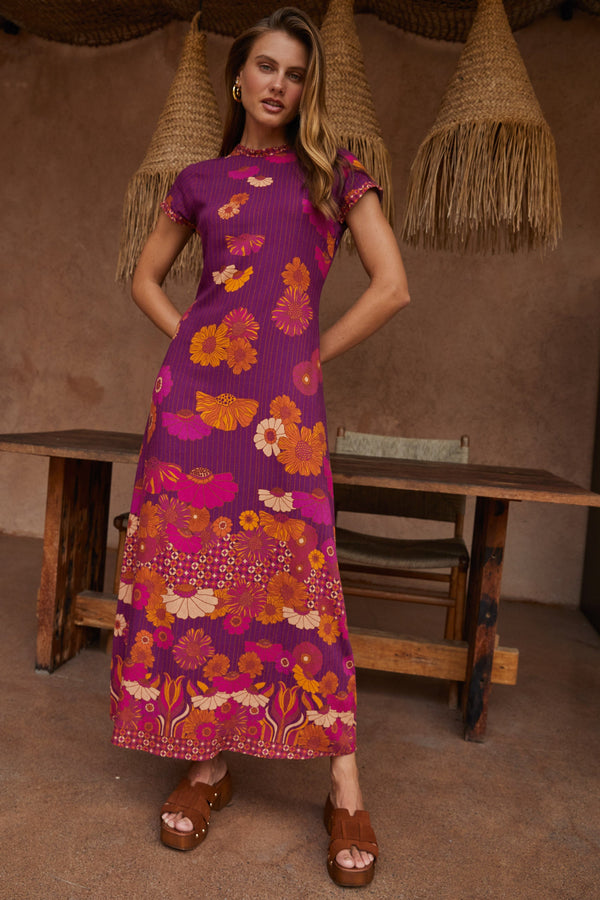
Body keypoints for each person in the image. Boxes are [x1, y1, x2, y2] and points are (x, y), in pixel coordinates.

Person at [111, 6, 409, 888]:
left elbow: (392, 286)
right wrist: (195, 351)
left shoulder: (335, 176)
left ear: (308, 89)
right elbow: (145, 278)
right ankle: (207, 765)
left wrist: (307, 356)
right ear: (238, 78)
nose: (280, 84)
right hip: (195, 413)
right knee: (198, 576)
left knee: (303, 581)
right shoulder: (199, 180)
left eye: (296, 73)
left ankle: (344, 786)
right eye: (267, 67)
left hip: (285, 417)